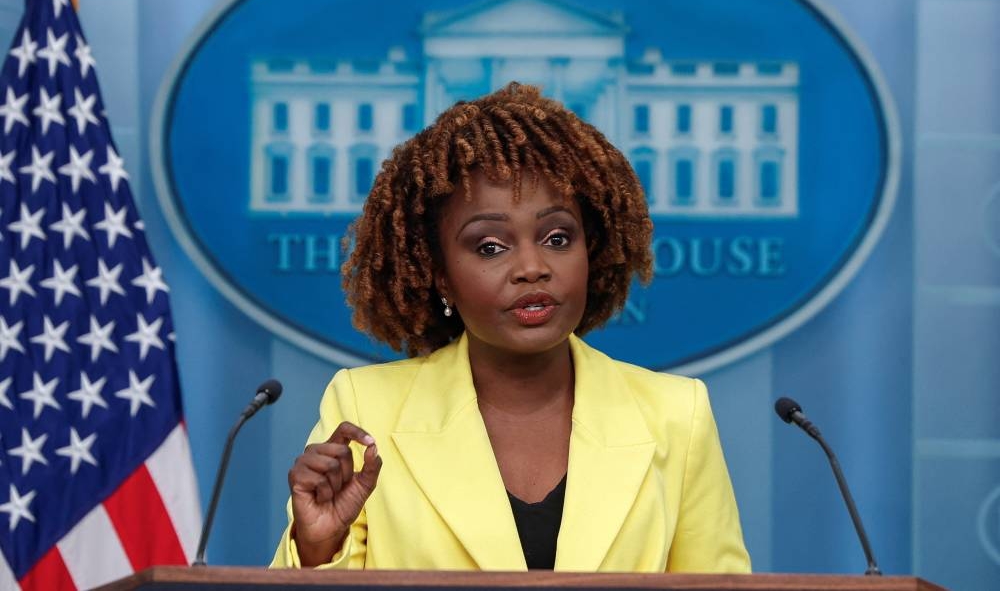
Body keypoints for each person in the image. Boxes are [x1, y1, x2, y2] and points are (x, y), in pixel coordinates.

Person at [271, 83, 750, 572]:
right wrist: (316, 549)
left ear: (592, 250)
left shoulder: (676, 416)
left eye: (557, 237)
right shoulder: (367, 409)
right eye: (490, 247)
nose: (532, 267)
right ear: (440, 275)